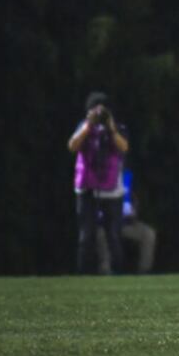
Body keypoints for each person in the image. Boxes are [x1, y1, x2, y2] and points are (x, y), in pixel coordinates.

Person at [68, 92, 130, 274]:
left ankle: (119, 274)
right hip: (87, 187)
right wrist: (88, 126)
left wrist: (111, 128)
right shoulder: (84, 126)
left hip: (112, 190)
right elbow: (72, 146)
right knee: (86, 236)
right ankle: (83, 274)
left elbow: (124, 147)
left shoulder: (117, 127)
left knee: (113, 236)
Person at [97, 169, 157, 274]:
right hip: (107, 225)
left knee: (149, 233)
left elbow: (138, 203)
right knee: (101, 234)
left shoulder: (128, 180)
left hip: (127, 224)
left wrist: (135, 211)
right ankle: (105, 271)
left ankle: (144, 271)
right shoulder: (100, 180)